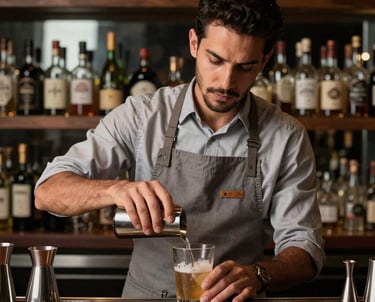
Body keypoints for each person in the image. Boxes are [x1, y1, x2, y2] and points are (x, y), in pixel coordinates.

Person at [35, 0, 325, 300]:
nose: (226, 82)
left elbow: (305, 249)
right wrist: (115, 190)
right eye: (215, 60)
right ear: (194, 44)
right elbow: (47, 193)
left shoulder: (286, 136)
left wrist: (260, 275)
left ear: (264, 61)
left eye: (245, 67)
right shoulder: (141, 115)